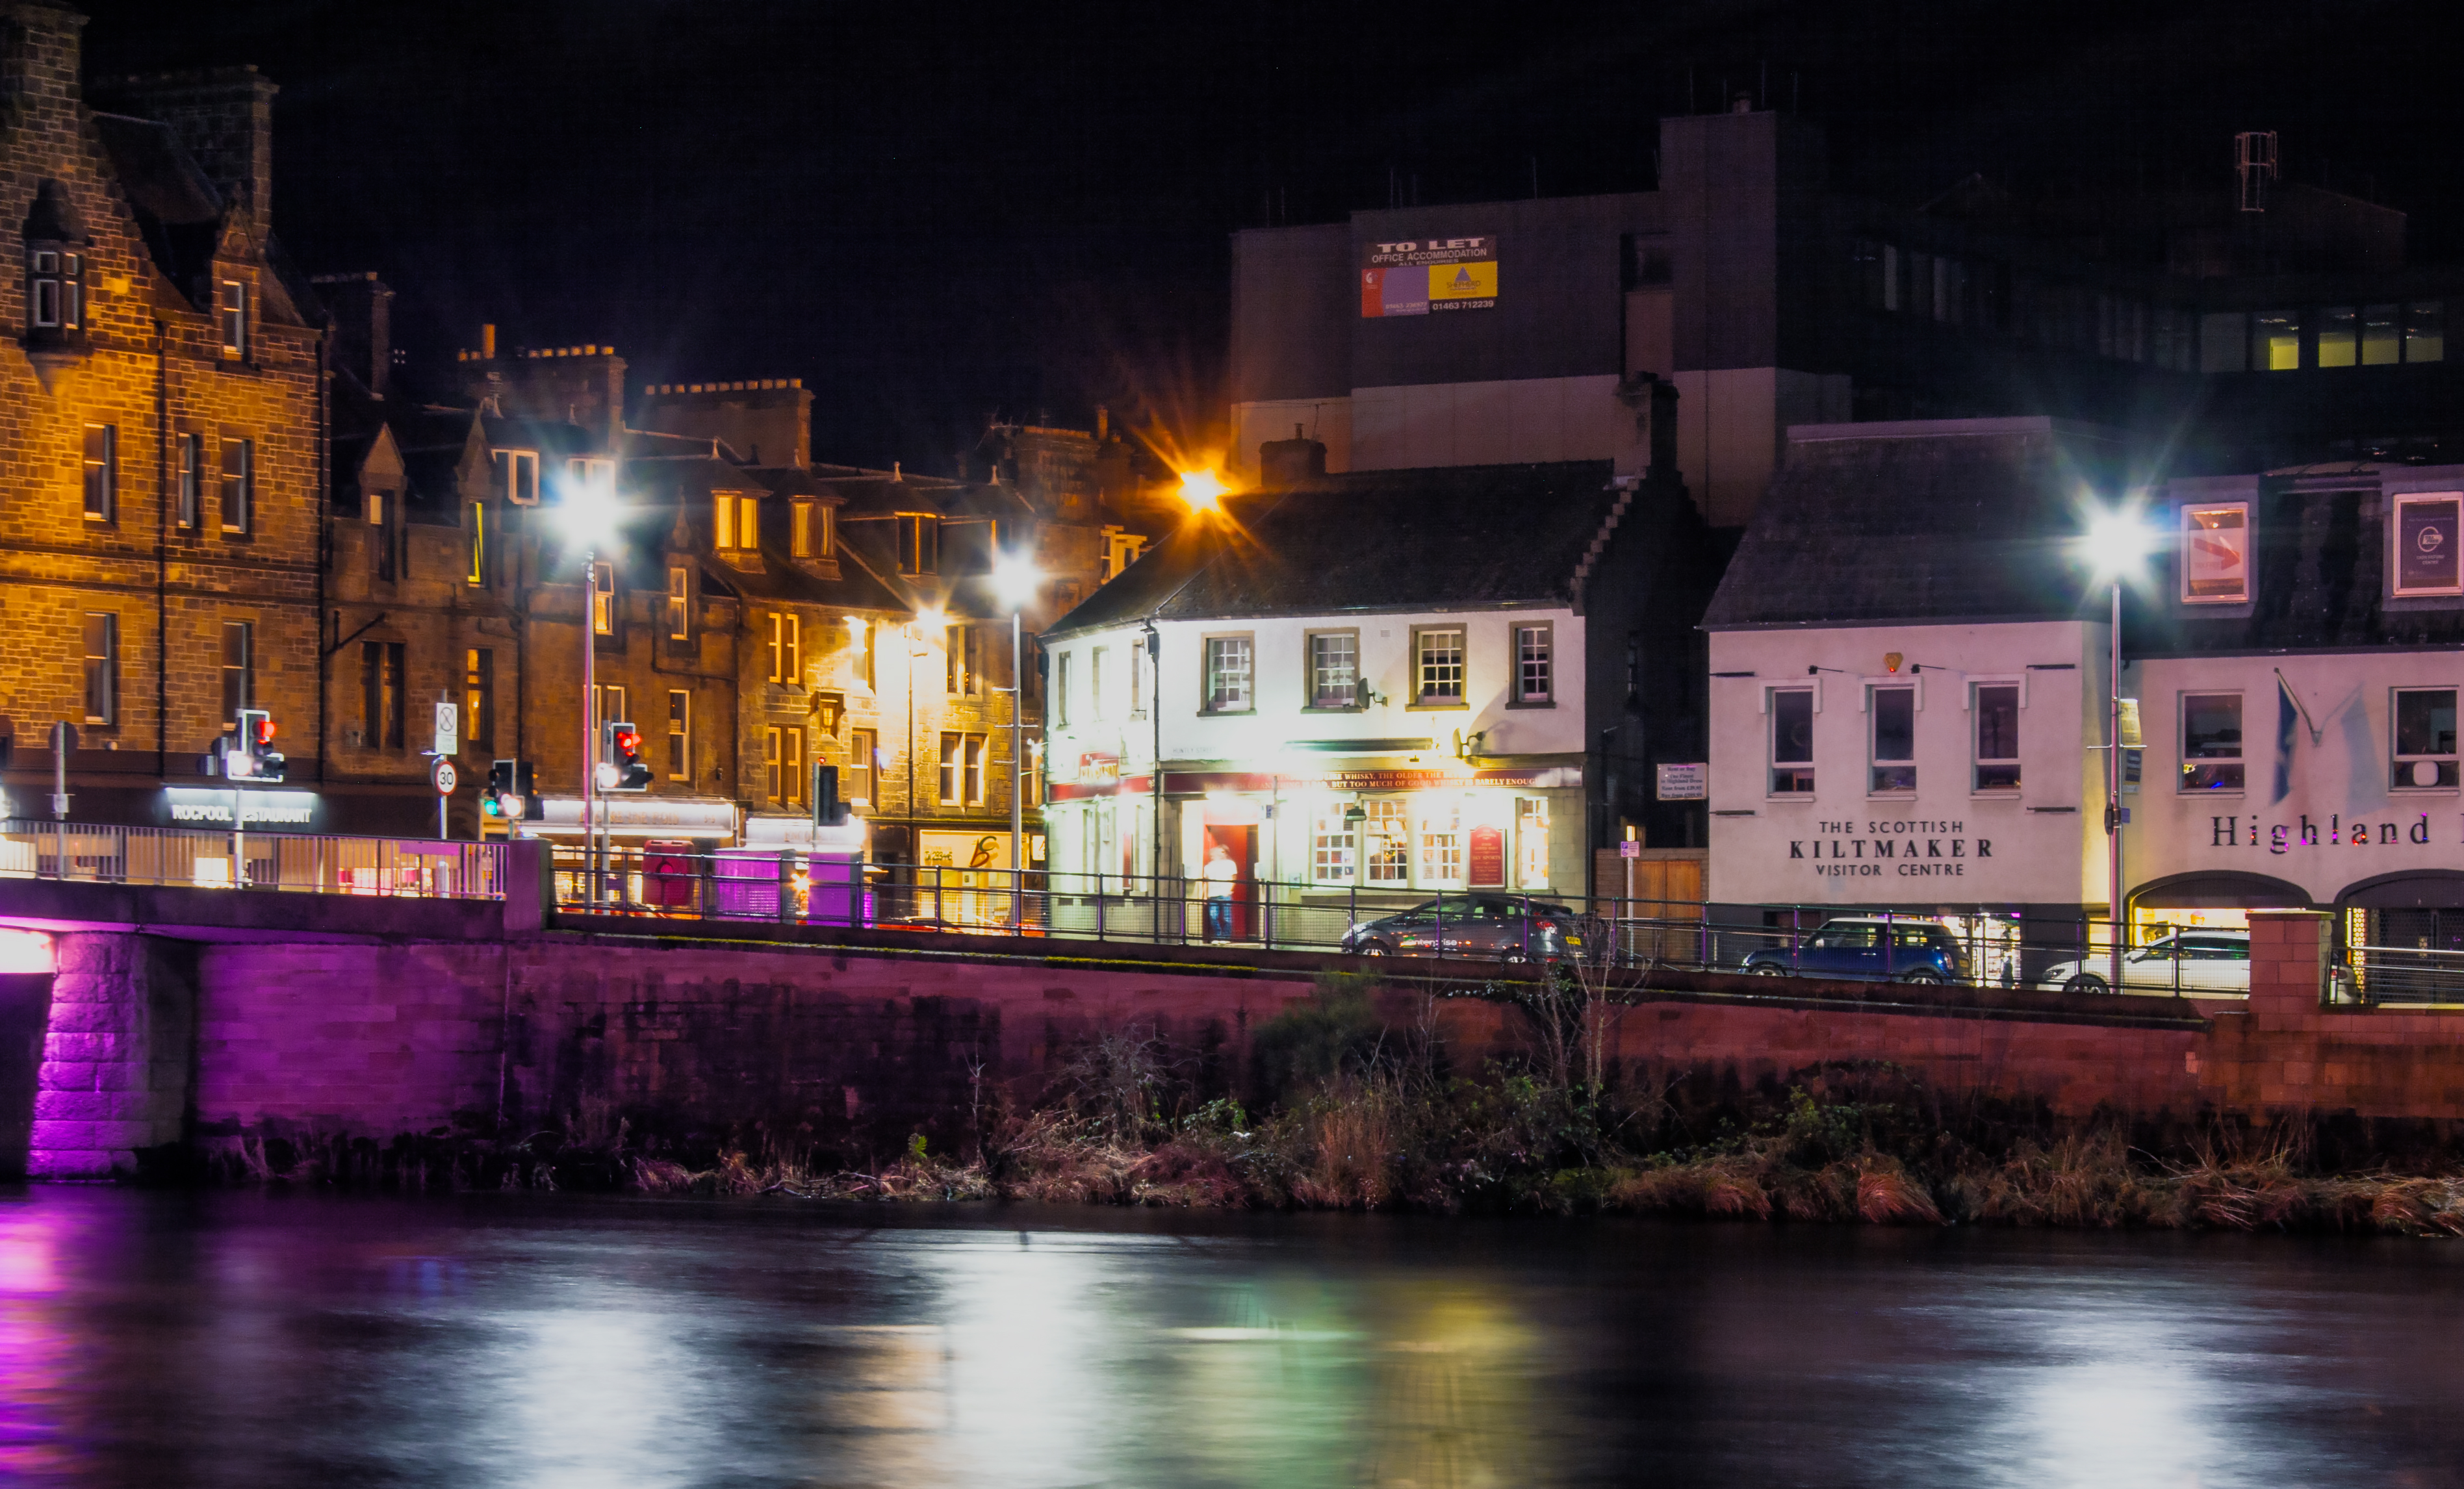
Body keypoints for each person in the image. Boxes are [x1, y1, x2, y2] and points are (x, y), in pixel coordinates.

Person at [1202, 843, 1238, 942]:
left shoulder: (1230, 864)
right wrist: (1205, 896)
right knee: (1213, 917)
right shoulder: (1208, 867)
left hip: (1225, 894)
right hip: (1212, 895)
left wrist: (1229, 890)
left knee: (1227, 917)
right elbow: (1206, 882)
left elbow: (1233, 878)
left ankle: (1226, 938)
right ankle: (1218, 937)